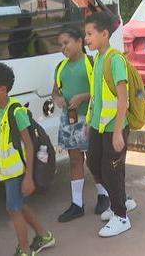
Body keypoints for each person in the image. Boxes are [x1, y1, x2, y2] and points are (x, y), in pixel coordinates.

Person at [0, 62, 55, 256]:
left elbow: (29, 146)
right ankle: (44, 235)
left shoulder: (16, 111)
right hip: (9, 171)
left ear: (2, 89)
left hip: (18, 172)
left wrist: (29, 177)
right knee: (19, 206)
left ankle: (24, 250)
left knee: (13, 209)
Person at [84, 12, 135, 237]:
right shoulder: (97, 59)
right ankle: (120, 200)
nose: (86, 38)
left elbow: (123, 99)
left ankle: (121, 216)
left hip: (114, 126)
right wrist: (88, 122)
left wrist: (117, 133)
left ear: (104, 34)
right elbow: (96, 97)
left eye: (89, 34)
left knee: (110, 169)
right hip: (98, 125)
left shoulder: (115, 60)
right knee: (94, 163)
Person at [51, 28, 110, 222]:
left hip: (89, 119)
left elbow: (101, 91)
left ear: (79, 41)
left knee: (94, 159)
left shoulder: (91, 63)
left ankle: (104, 196)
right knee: (75, 160)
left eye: (66, 42)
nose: (63, 48)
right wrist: (58, 98)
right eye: (61, 45)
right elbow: (55, 91)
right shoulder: (61, 66)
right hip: (70, 120)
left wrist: (83, 97)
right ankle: (77, 204)